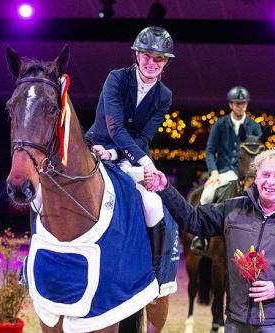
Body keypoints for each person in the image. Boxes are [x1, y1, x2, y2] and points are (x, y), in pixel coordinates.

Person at [145, 149, 275, 332]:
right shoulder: (233, 208)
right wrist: (165, 189)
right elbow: (193, 220)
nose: (270, 182)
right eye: (265, 175)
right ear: (255, 178)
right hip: (236, 321)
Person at [86, 26, 175, 283]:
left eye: (158, 58)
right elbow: (114, 127)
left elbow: (145, 137)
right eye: (146, 55)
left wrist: (115, 155)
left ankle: (156, 274)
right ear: (136, 55)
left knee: (153, 203)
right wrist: (147, 162)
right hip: (95, 148)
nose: (151, 62)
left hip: (125, 157)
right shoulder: (116, 78)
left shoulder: (164, 96)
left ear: (165, 62)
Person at [192, 86, 262, 253]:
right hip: (223, 172)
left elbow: (260, 153)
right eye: (237, 104)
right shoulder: (220, 124)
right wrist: (213, 172)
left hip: (247, 175)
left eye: (243, 103)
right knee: (207, 194)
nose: (240, 107)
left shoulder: (254, 127)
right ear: (231, 105)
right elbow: (209, 150)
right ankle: (200, 236)